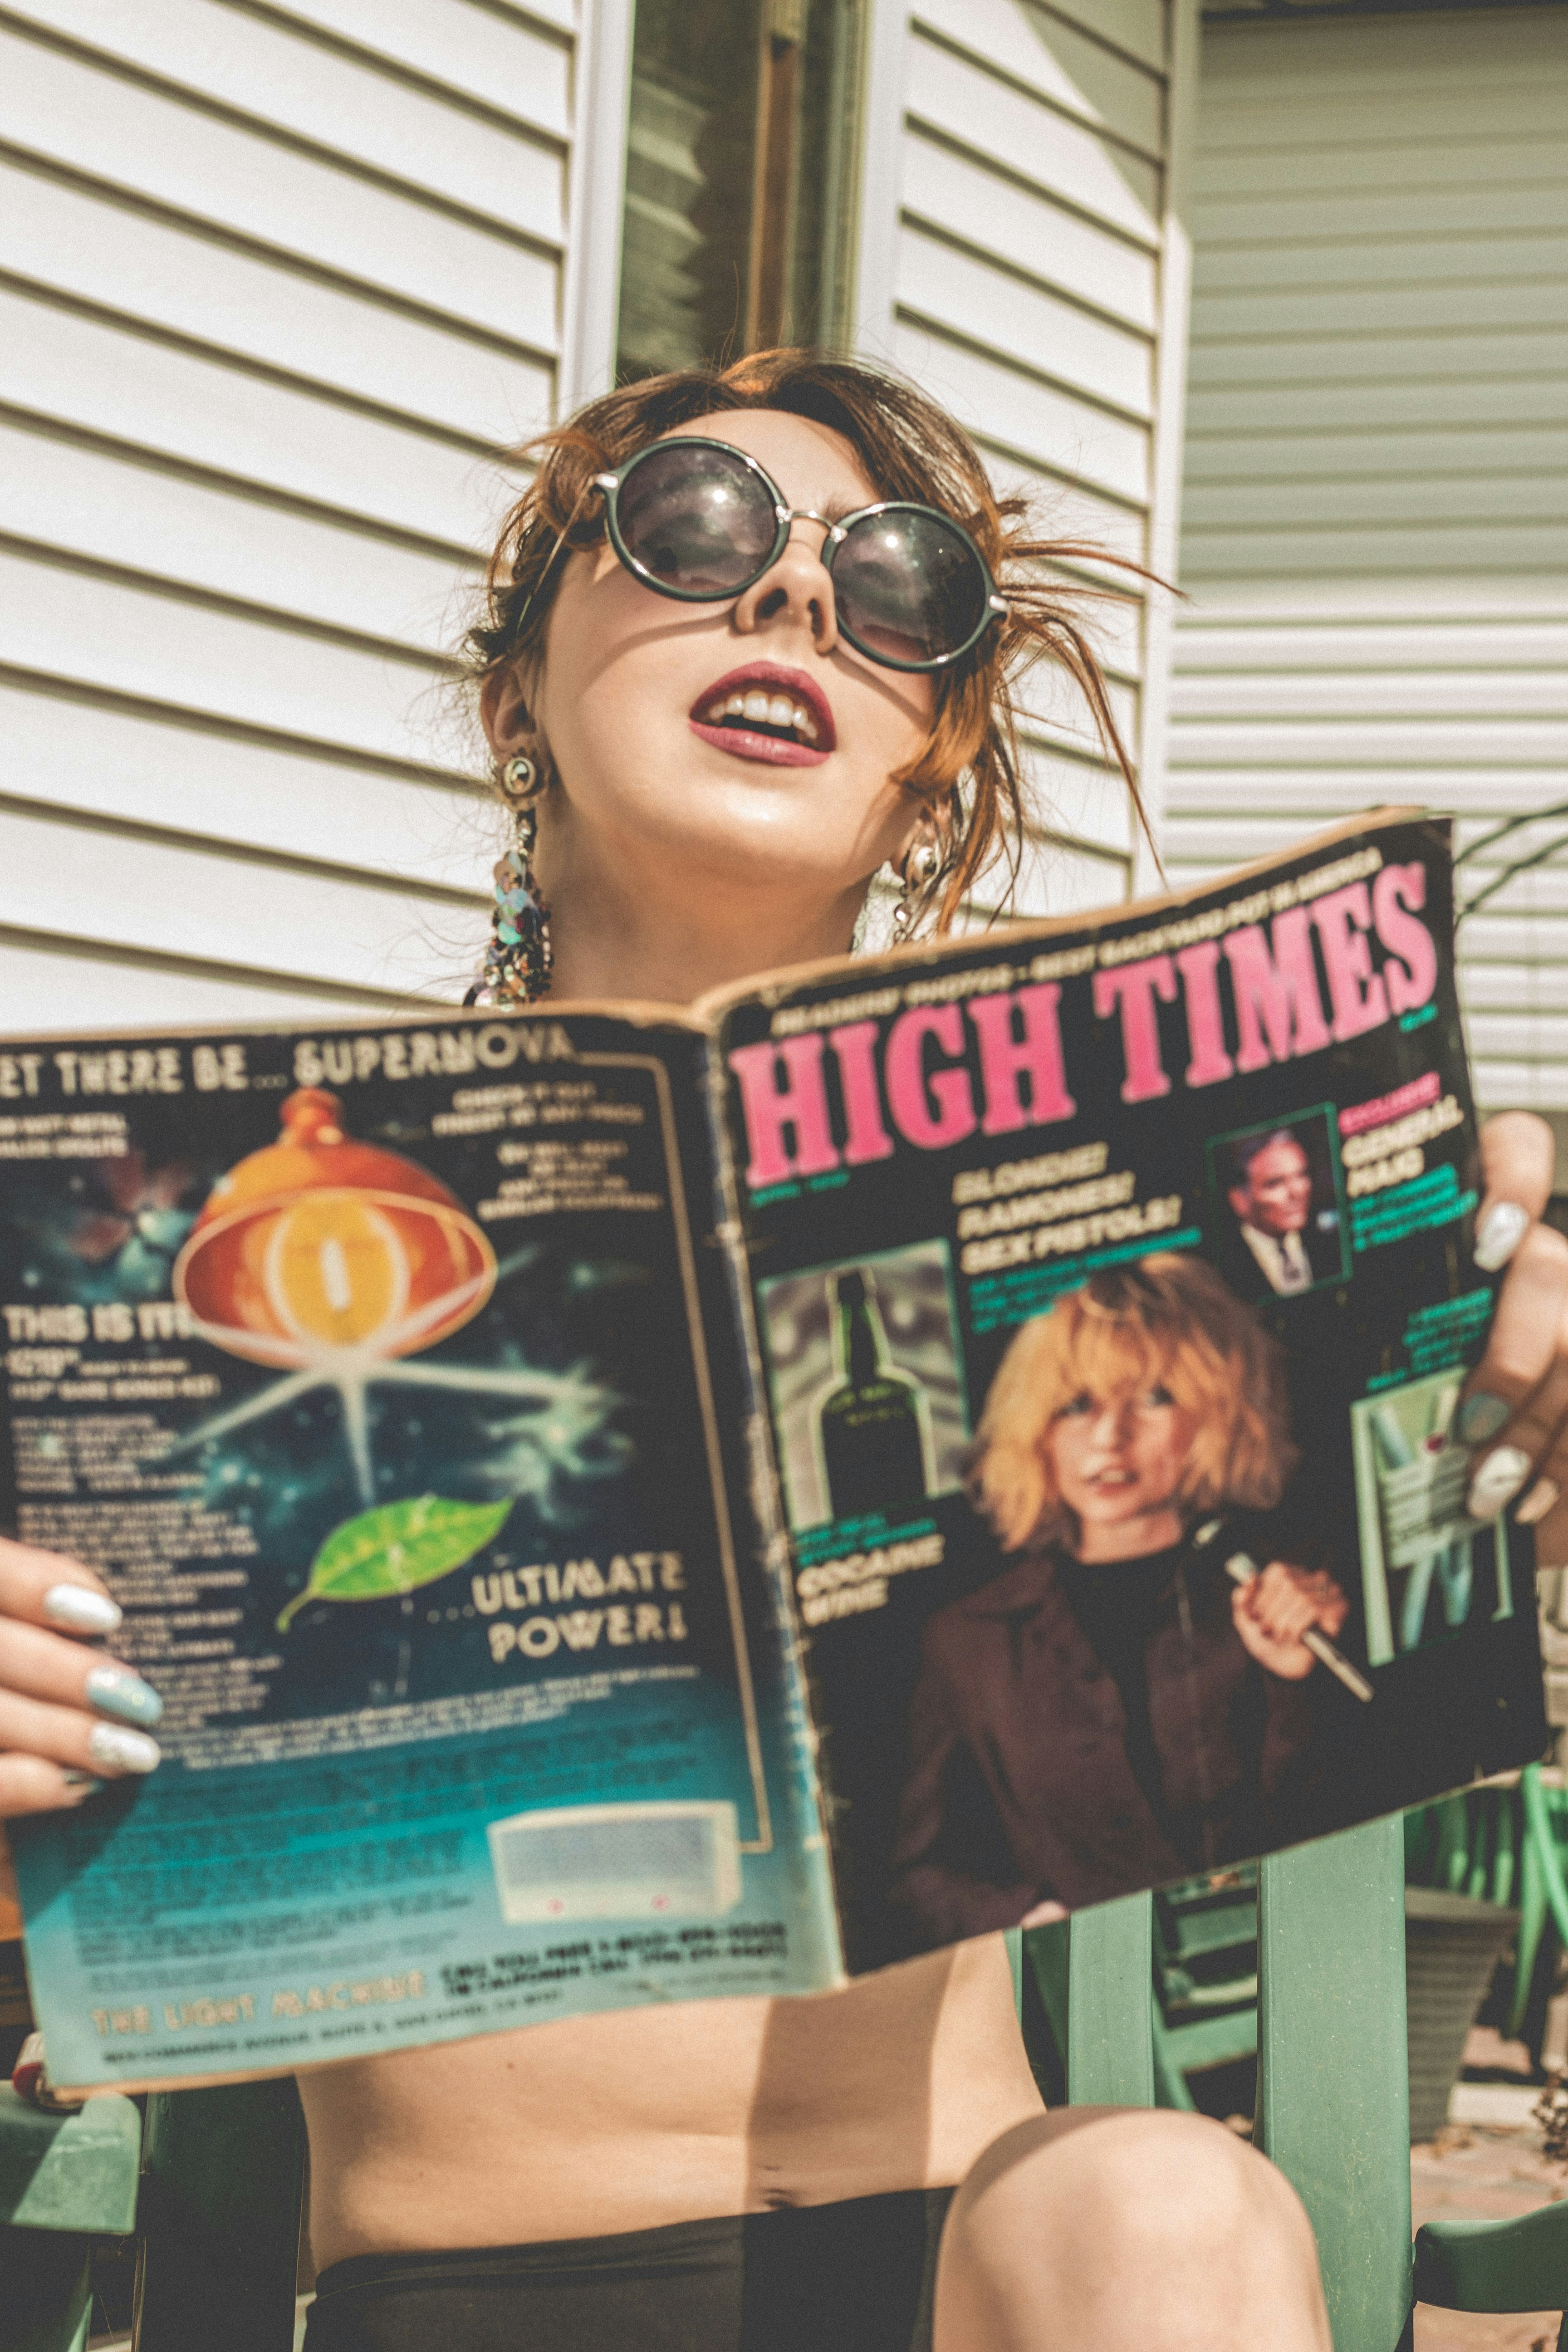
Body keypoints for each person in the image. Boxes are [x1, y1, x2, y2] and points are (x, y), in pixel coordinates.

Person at [0, 349, 1564, 2352]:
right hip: (470, 2286)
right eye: (695, 526)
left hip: (968, 2270)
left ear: (924, 755)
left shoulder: (1081, 1212)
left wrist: (1501, 1396)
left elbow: (1340, 1588)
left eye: (895, 584)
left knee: (1166, 2196)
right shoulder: (240, 1249)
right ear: (516, 688)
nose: (794, 600)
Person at [892, 1257, 1350, 1944]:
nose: (1109, 1437)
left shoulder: (1285, 1592)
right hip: (1087, 1997)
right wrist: (1022, 1919)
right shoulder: (967, 1638)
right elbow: (915, 1875)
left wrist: (1298, 1685)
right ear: (1036, 1429)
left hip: (1286, 1961)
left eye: (1153, 1397)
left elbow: (1345, 1829)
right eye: (1076, 1406)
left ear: (1215, 1411)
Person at [1217, 1127, 1343, 1301]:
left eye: (1302, 1175)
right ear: (1240, 1201)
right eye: (1275, 1183)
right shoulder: (1223, 1269)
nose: (1297, 1192)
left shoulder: (1332, 1241)